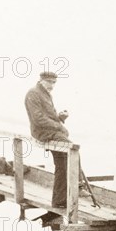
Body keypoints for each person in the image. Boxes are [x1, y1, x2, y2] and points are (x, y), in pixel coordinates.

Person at [24, 71, 82, 208]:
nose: (52, 85)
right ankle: (78, 186)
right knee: (72, 149)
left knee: (62, 163)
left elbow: (47, 115)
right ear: (41, 80)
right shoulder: (33, 94)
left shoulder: (45, 93)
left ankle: (60, 200)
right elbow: (38, 119)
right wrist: (58, 126)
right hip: (42, 133)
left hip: (49, 131)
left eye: (54, 82)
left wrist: (59, 117)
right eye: (49, 82)